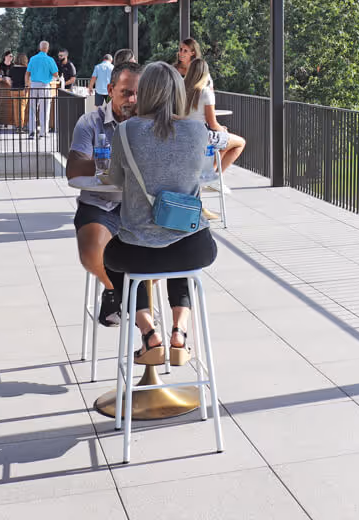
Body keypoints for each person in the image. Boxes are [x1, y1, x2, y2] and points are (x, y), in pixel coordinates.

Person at [104, 62, 227, 365]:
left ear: (145, 92)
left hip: (137, 252)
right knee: (179, 247)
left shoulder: (126, 131)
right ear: (179, 93)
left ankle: (149, 333)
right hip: (194, 248)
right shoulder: (197, 131)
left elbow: (116, 180)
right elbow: (200, 174)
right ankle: (179, 333)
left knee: (111, 258)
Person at [66, 61, 141, 326]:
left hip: (138, 205)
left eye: (138, 94)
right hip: (100, 203)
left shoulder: (148, 124)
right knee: (91, 254)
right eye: (126, 93)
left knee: (163, 254)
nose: (133, 100)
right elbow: (74, 168)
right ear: (110, 90)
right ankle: (114, 290)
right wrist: (111, 163)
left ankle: (138, 307)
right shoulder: (90, 122)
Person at [184, 58, 246, 184]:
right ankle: (214, 178)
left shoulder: (181, 91)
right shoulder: (205, 92)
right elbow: (212, 124)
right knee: (240, 142)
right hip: (203, 137)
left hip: (186, 135)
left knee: (223, 140)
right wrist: (223, 129)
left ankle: (210, 174)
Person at [26, 41, 59, 139]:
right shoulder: (50, 60)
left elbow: (27, 73)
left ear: (40, 48)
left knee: (32, 109)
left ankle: (32, 132)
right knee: (44, 109)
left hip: (33, 85)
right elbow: (56, 74)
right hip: (44, 85)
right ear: (47, 48)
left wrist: (27, 85)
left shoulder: (33, 59)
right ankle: (43, 132)